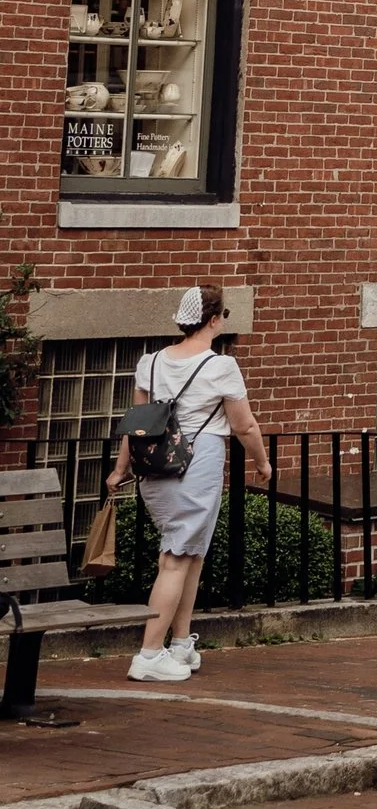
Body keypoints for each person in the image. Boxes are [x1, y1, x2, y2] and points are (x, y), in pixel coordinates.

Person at [108, 285, 270, 684]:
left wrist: (120, 468)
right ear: (213, 320)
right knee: (177, 559)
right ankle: (148, 654)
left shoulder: (150, 361)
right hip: (195, 468)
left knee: (190, 556)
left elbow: (138, 422)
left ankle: (180, 644)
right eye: (221, 318)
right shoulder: (221, 366)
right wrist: (262, 462)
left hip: (155, 470)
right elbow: (243, 424)